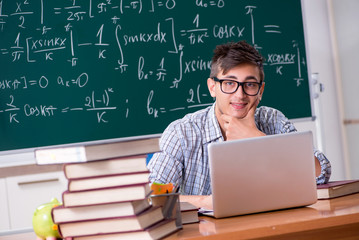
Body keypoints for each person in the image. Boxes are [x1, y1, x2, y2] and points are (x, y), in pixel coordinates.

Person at [148, 40, 331, 209]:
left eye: (250, 85)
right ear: (213, 87)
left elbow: (320, 172)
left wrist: (257, 139)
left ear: (261, 90)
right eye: (229, 83)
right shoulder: (182, 133)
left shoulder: (274, 120)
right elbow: (153, 196)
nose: (240, 95)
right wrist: (208, 201)